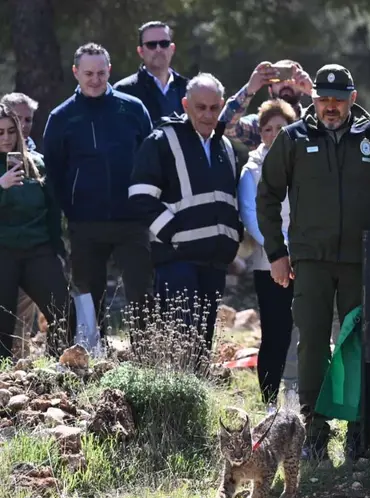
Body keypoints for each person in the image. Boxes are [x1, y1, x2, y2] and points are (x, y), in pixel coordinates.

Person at [257, 63, 370, 460]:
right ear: (314, 100)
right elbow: (268, 195)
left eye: (338, 100)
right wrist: (277, 252)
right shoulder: (293, 139)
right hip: (309, 261)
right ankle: (313, 432)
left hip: (361, 262)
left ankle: (361, 429)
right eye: (323, 99)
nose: (330, 107)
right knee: (311, 344)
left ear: (352, 100)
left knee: (361, 343)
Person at [128, 73, 243, 372]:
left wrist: (233, 238)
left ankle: (196, 404)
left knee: (202, 344)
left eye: (214, 108)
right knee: (180, 341)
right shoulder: (162, 140)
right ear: (185, 105)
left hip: (215, 262)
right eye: (200, 107)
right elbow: (140, 196)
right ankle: (173, 409)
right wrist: (174, 233)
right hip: (177, 260)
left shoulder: (225, 147)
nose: (207, 115)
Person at [43, 43, 154, 344]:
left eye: (101, 73)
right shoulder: (61, 116)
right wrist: (71, 209)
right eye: (88, 73)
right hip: (85, 222)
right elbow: (52, 171)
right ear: (76, 73)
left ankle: (145, 358)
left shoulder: (132, 108)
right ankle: (91, 356)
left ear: (110, 71)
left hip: (132, 221)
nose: (95, 79)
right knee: (89, 294)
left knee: (141, 292)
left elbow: (151, 159)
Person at [0, 104, 74, 359]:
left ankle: (59, 368)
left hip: (37, 250)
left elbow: (52, 212)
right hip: (3, 251)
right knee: (4, 323)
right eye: (0, 132)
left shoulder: (36, 163)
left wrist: (58, 250)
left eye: (11, 131)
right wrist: (2, 185)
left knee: (64, 311)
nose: (7, 138)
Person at [238, 99, 297, 410]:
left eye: (281, 128)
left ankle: (303, 403)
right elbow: (252, 216)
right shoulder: (252, 170)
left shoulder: (305, 161)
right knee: (275, 333)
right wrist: (281, 252)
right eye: (267, 129)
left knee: (304, 336)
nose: (274, 134)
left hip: (306, 261)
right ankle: (270, 403)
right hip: (269, 263)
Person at [1, 92, 42, 357]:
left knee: (22, 318)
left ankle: (18, 369)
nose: (23, 125)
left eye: (28, 120)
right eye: (17, 119)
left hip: (27, 248)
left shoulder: (35, 158)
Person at [221, 60, 312, 150]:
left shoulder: (314, 121)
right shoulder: (260, 124)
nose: (285, 83)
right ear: (270, 90)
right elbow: (225, 127)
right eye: (278, 79)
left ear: (302, 88)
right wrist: (249, 89)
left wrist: (313, 91)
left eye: (292, 79)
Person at [114, 21, 189, 124]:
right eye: (151, 45)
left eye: (164, 44)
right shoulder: (123, 91)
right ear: (141, 52)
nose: (158, 49)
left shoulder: (189, 89)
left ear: (172, 49)